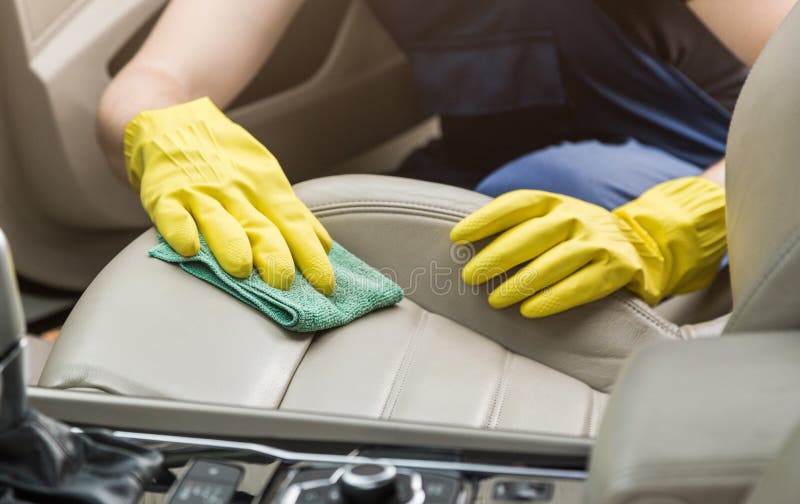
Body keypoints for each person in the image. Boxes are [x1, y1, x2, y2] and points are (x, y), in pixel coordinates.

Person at [97, 0, 796, 317]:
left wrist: (687, 220)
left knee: (533, 191)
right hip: (488, 163)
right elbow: (160, 78)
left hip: (714, 168)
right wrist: (166, 135)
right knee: (332, 229)